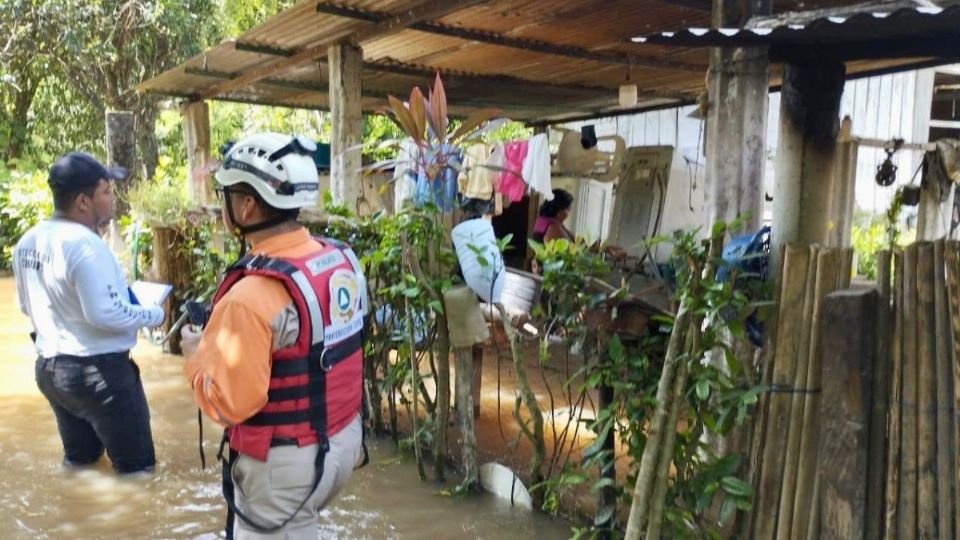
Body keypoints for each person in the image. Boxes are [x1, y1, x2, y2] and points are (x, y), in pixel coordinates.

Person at [180, 132, 366, 540]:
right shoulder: (338, 259)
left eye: (226, 194)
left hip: (286, 468)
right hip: (342, 444)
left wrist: (195, 355)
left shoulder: (248, 298)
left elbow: (230, 406)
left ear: (246, 206)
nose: (223, 204)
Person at [13, 152, 164, 474]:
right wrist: (154, 315)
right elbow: (105, 313)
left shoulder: (28, 240)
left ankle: (74, 516)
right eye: (106, 192)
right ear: (83, 201)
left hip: (53, 372)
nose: (112, 200)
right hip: (100, 376)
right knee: (139, 472)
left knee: (80, 465)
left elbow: (25, 306)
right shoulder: (85, 244)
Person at [531, 188, 626, 267]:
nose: (569, 213)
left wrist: (606, 249)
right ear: (560, 210)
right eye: (568, 210)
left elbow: (579, 242)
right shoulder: (552, 227)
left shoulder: (548, 222)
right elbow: (573, 251)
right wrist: (606, 256)